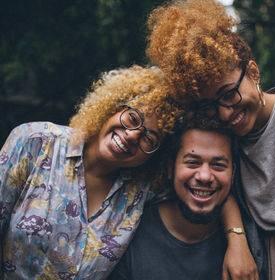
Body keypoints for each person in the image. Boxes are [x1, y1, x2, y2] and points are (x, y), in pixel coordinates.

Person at [146, 0, 275, 279]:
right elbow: (219, 189)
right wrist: (237, 238)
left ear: (254, 72)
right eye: (209, 104)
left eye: (228, 94)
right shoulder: (222, 141)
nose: (224, 113)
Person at [0, 65, 179, 279]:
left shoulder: (142, 191)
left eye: (149, 139)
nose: (132, 136)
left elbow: (204, 182)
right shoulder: (35, 142)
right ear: (113, 106)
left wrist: (232, 233)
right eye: (133, 118)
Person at [108, 116, 237, 279]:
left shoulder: (251, 242)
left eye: (218, 165)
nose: (204, 176)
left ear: (233, 173)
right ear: (170, 168)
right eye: (192, 162)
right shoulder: (128, 233)